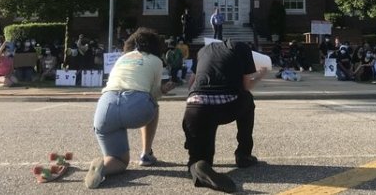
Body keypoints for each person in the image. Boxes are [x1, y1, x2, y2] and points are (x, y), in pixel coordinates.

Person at [85, 28, 175, 189]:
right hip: (136, 105)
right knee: (154, 105)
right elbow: (153, 94)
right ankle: (146, 154)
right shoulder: (156, 61)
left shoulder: (122, 59)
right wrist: (162, 90)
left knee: (119, 160)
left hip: (106, 106)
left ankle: (102, 167)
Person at [182, 38, 267, 193]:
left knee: (200, 159)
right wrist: (261, 75)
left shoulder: (203, 51)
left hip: (194, 108)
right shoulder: (242, 47)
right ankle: (244, 155)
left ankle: (198, 165)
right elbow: (246, 86)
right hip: (225, 106)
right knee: (248, 100)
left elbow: (191, 83)